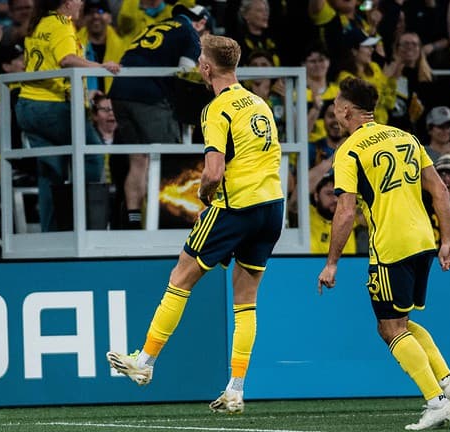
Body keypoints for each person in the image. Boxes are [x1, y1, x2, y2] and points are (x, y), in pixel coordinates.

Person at [106, 34, 284, 415]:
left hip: (235, 206)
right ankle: (236, 388)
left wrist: (205, 198)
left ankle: (145, 363)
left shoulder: (217, 109)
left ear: (206, 68)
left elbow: (214, 171)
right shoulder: (259, 104)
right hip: (272, 208)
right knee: (246, 299)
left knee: (180, 276)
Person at [317, 77, 450, 430]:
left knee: (389, 328)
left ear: (347, 110)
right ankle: (447, 380)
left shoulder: (350, 150)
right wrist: (448, 240)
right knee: (403, 322)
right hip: (422, 242)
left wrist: (332, 262)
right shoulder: (406, 137)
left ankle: (436, 400)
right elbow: (441, 189)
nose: (335, 111)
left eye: (337, 105)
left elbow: (345, 211)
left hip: (390, 246)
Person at [15, 0, 120, 232]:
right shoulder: (62, 24)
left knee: (51, 171)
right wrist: (101, 66)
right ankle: (87, 225)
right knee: (92, 156)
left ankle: (52, 232)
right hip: (53, 107)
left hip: (27, 106)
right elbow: (67, 59)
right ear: (66, 3)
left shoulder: (40, 23)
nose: (81, 2)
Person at [108, 4, 208, 229]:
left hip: (118, 94)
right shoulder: (189, 33)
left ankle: (133, 222)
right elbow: (184, 76)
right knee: (170, 159)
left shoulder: (156, 27)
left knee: (138, 160)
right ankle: (170, 221)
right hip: (147, 96)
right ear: (201, 23)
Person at [309, 171, 356, 255]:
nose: (335, 199)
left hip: (349, 267)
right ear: (316, 196)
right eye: (329, 194)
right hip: (312, 267)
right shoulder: (307, 214)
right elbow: (301, 188)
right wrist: (332, 161)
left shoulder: (349, 213)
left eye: (338, 195)